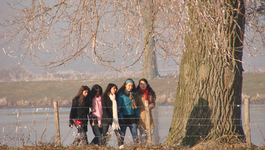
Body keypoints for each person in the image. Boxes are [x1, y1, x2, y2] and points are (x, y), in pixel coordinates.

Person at [117, 78, 140, 148]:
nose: (130, 87)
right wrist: (121, 118)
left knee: (135, 134)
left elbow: (135, 106)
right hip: (124, 116)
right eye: (129, 85)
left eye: (132, 86)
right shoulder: (121, 94)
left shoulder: (133, 94)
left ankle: (137, 147)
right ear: (125, 85)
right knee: (122, 135)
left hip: (132, 116)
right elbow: (119, 107)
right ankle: (120, 147)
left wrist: (137, 117)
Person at [135, 78, 156, 143]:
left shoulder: (150, 93)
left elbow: (153, 103)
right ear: (139, 85)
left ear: (147, 84)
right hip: (141, 116)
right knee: (143, 136)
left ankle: (148, 147)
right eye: (141, 84)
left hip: (149, 116)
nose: (143, 85)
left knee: (151, 133)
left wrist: (151, 105)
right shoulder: (137, 93)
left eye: (144, 83)